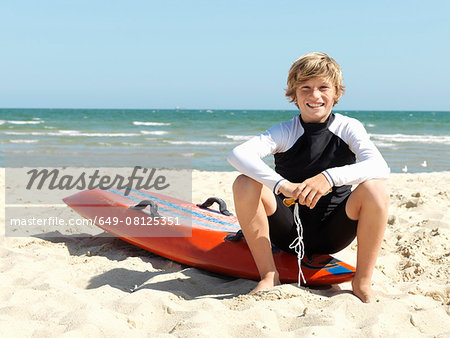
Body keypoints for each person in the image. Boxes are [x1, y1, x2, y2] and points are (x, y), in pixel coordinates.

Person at [227, 52, 390, 303]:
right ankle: (269, 275)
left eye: (323, 87)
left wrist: (329, 177)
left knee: (376, 188)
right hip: (286, 231)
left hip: (333, 232)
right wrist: (283, 186)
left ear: (336, 92)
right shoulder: (285, 131)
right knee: (244, 182)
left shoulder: (349, 127)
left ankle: (362, 282)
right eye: (306, 88)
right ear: (294, 94)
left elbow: (379, 165)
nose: (315, 96)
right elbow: (238, 155)